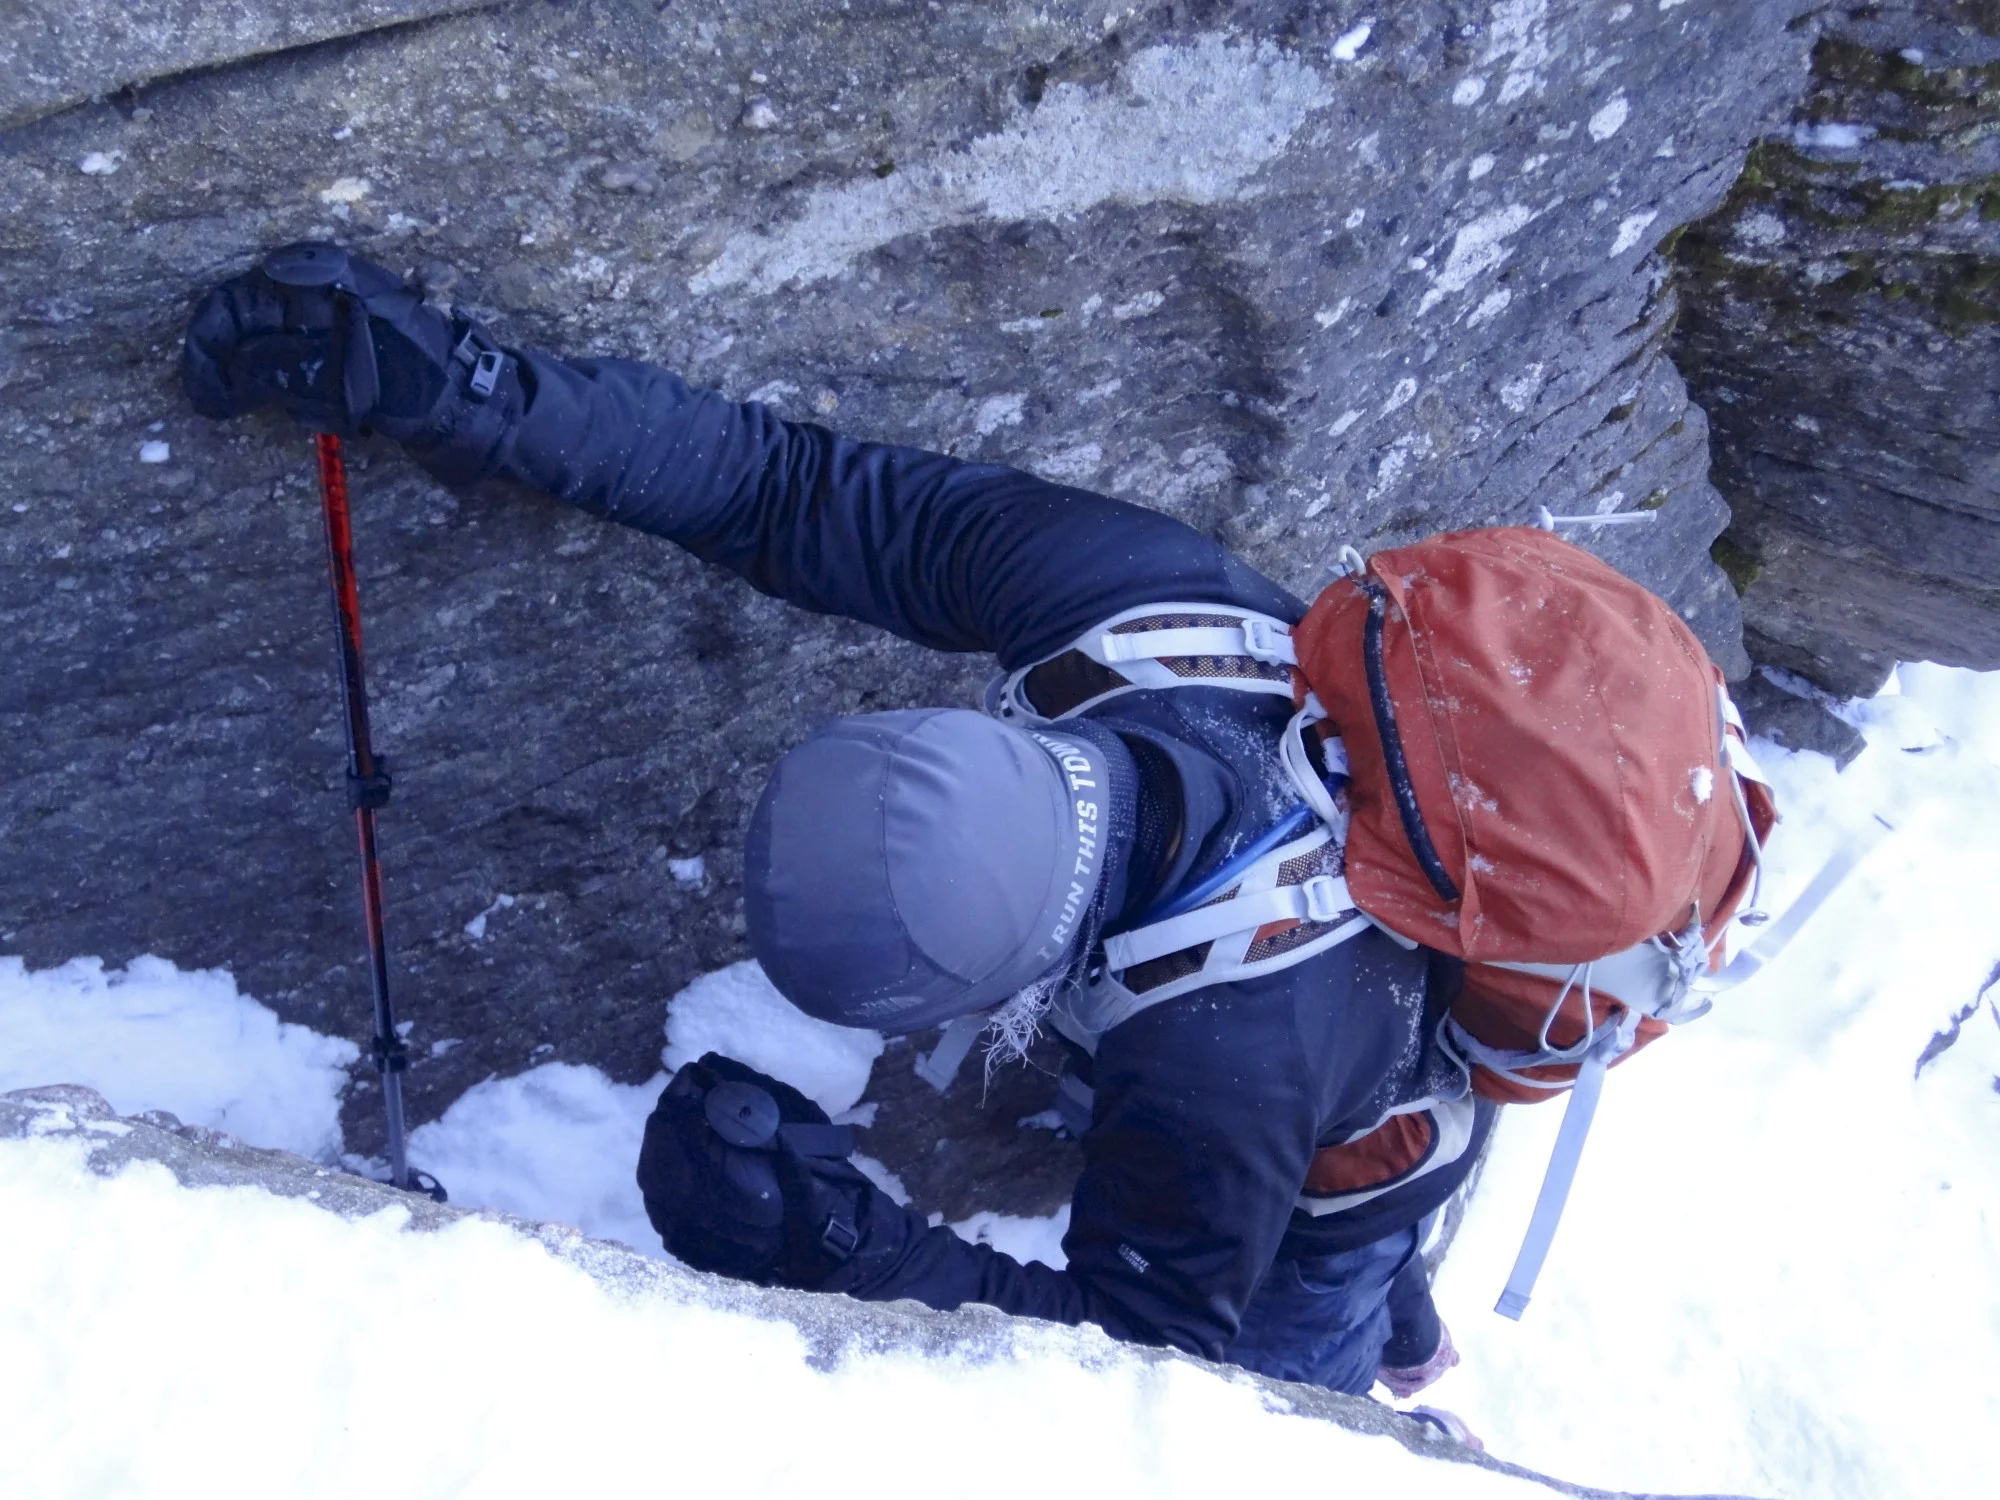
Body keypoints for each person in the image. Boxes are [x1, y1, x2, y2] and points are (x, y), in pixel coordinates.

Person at [182, 244, 1488, 1404]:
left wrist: (851, 1246)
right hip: (1352, 1008)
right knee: (1339, 1163)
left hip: (1342, 1153)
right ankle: (1411, 1331)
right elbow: (780, 487)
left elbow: (1150, 1371)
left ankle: (1382, 1389)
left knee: (1314, 1316)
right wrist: (470, 393)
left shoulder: (1221, 1066)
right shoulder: (1135, 605)